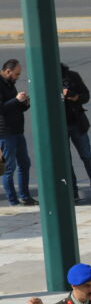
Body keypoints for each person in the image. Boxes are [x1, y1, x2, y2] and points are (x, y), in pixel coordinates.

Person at [61, 63, 91, 202]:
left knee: (87, 156)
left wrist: (74, 97)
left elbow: (86, 95)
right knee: (66, 161)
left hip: (77, 123)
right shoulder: (46, 80)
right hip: (59, 126)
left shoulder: (73, 76)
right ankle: (73, 191)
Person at [0, 58, 35, 206]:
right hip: (5, 132)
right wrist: (16, 100)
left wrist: (24, 103)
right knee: (9, 168)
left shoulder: (9, 84)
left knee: (25, 163)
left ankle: (25, 197)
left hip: (17, 131)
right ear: (7, 71)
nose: (17, 77)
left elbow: (14, 106)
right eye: (16, 74)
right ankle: (13, 201)